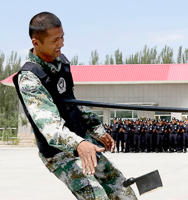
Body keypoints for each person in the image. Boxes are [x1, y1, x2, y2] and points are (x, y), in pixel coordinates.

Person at [13, 12, 137, 200]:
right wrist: (79, 144)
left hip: (83, 141)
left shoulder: (62, 64)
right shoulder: (29, 78)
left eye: (62, 37)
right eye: (55, 40)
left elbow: (71, 104)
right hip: (59, 152)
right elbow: (51, 127)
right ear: (36, 43)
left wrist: (96, 129)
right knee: (98, 196)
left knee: (122, 190)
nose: (61, 44)